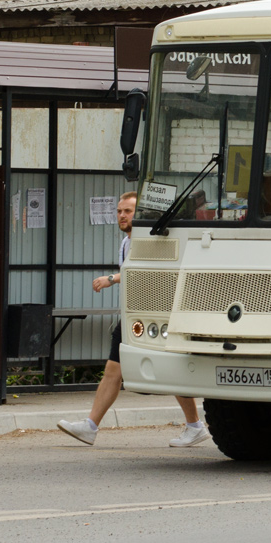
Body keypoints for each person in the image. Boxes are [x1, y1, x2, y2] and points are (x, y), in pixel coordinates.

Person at [58, 191, 208, 448]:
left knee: (171, 369)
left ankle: (195, 425)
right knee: (113, 371)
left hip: (156, 315)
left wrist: (111, 279)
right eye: (119, 211)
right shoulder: (127, 241)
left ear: (140, 214)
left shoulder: (151, 239)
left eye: (128, 211)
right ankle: (90, 426)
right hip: (136, 314)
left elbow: (145, 273)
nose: (122, 215)